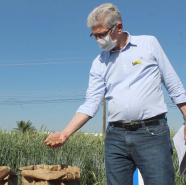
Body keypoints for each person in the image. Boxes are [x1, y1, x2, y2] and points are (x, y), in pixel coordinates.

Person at [45, 3, 186, 185]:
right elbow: (90, 104)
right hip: (116, 137)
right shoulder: (99, 63)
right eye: (94, 35)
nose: (98, 40)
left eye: (101, 34)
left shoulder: (149, 44)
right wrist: (65, 133)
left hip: (152, 133)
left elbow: (174, 86)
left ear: (118, 27)